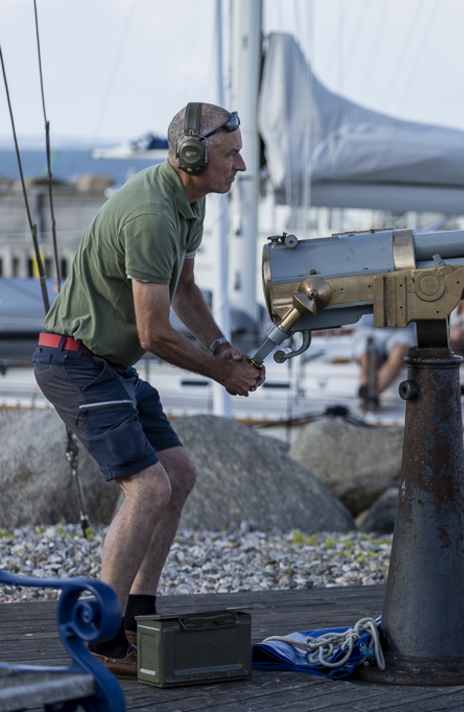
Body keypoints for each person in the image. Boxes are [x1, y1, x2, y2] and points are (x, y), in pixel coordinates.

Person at [32, 102, 264, 676]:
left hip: (107, 364)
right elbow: (154, 333)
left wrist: (218, 345)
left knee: (179, 474)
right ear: (193, 156)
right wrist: (223, 375)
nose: (241, 163)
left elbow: (184, 287)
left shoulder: (191, 202)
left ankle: (139, 613)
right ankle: (102, 637)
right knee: (148, 487)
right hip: (74, 361)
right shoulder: (152, 217)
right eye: (231, 154)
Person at [351, 314, 415, 412]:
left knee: (398, 356)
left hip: (403, 329)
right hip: (368, 328)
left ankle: (369, 394)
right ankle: (370, 394)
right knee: (368, 356)